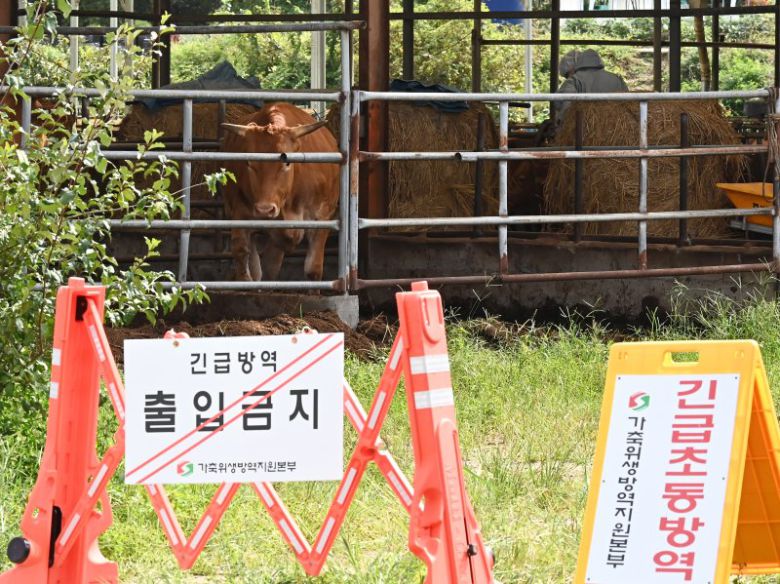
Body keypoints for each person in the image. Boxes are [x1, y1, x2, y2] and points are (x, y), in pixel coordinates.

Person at [556, 49, 629, 120]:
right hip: (615, 128)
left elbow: (565, 111)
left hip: (583, 129)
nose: (568, 77)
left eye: (567, 75)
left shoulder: (574, 81)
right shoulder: (618, 80)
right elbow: (629, 106)